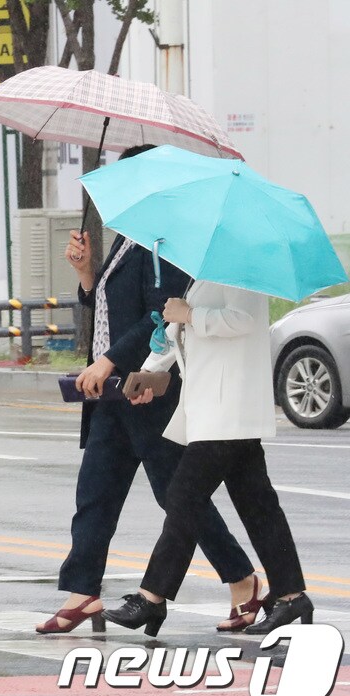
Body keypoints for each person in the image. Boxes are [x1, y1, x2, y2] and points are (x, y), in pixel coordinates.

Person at [38, 144, 257, 635]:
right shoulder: (128, 239)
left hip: (148, 390)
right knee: (94, 491)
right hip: (112, 393)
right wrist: (85, 274)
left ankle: (242, 580)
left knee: (177, 497)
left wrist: (110, 359)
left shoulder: (170, 244)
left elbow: (160, 315)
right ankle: (83, 594)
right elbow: (110, 310)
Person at [104, 282, 311, 637]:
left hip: (227, 407)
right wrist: (149, 372)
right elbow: (178, 332)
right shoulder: (205, 271)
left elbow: (242, 319)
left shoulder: (239, 266)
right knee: (258, 505)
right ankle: (291, 595)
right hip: (216, 409)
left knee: (183, 497)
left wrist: (191, 314)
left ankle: (151, 596)